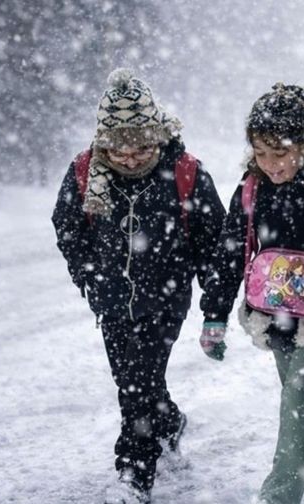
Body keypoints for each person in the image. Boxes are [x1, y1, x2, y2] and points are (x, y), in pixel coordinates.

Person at [51, 68, 225, 504]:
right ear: (103, 140)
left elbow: (214, 240)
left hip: (166, 300)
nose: (129, 158)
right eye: (118, 148)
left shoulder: (185, 172)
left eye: (141, 147)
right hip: (111, 301)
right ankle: (168, 422)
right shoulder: (85, 172)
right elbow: (67, 227)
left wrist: (214, 305)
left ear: (158, 136)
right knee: (134, 380)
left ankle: (134, 473)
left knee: (137, 383)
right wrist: (88, 276)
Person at [199, 83, 304, 504]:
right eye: (261, 153)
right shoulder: (253, 186)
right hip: (274, 311)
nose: (271, 164)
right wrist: (215, 315)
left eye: (281, 153)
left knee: (297, 399)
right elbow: (230, 248)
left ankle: (279, 494)